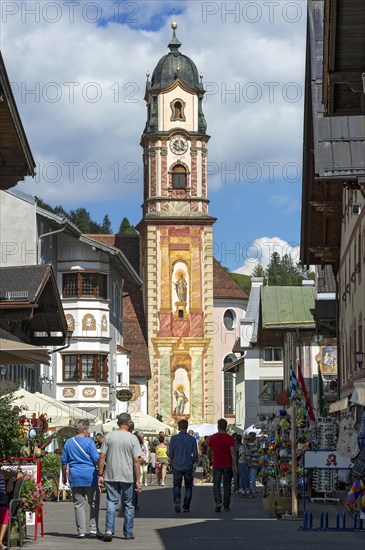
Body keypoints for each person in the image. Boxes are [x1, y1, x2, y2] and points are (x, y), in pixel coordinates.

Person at [98, 413, 141, 542]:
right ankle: (128, 533)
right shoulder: (133, 438)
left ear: (118, 423)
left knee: (111, 502)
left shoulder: (109, 436)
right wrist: (138, 480)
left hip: (111, 474)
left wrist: (100, 474)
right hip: (127, 475)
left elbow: (102, 457)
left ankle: (109, 530)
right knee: (128, 504)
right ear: (129, 423)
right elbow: (136, 461)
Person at [61, 419, 100, 538]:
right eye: (87, 429)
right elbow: (96, 458)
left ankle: (81, 531)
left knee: (78, 504)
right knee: (93, 502)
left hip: (75, 475)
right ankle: (93, 529)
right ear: (84, 430)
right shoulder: (89, 442)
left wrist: (64, 476)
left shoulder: (68, 442)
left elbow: (64, 462)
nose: (88, 431)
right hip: (90, 475)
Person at [207, 419, 237, 512]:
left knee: (216, 484)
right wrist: (235, 464)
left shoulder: (213, 437)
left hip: (217, 464)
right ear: (226, 426)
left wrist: (210, 460)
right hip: (227, 464)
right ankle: (226, 505)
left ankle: (218, 502)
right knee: (227, 485)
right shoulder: (229, 438)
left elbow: (208, 451)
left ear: (218, 426)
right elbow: (232, 452)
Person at [169, 419, 198, 513]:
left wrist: (173, 461)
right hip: (188, 465)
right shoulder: (192, 439)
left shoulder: (174, 439)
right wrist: (192, 461)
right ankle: (186, 506)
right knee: (188, 486)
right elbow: (195, 455)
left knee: (177, 485)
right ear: (187, 427)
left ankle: (177, 500)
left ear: (178, 427)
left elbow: (171, 454)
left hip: (177, 465)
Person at [0, 468, 23, 550]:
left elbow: (20, 474)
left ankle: (0, 542)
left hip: (2, 505)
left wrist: (12, 479)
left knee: (5, 512)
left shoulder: (2, 473)